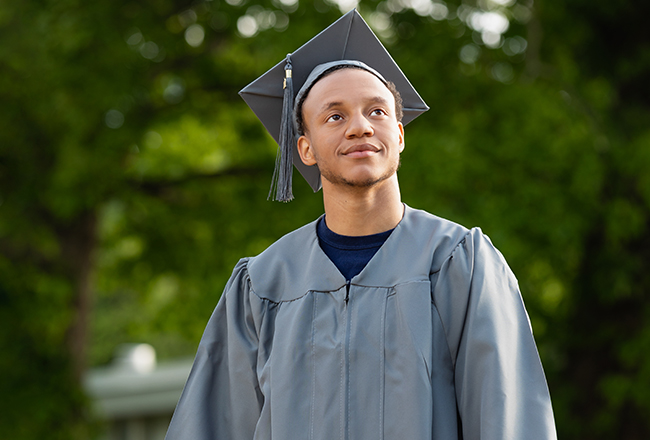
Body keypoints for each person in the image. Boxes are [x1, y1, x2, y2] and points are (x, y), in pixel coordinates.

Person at [165, 10, 557, 440]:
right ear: (306, 149)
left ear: (400, 135)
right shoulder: (263, 286)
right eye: (335, 116)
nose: (360, 127)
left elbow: (509, 422)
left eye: (377, 111)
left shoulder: (458, 263)